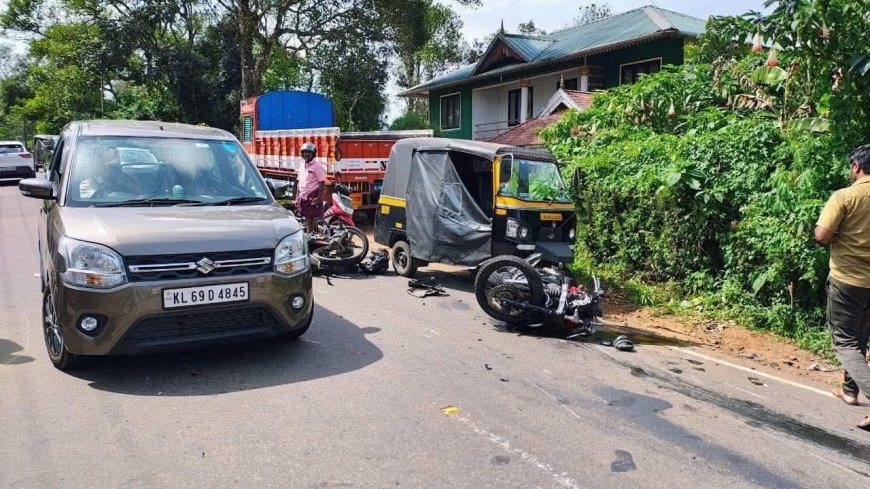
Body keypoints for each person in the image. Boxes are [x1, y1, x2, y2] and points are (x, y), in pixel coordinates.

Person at [815, 144, 870, 431]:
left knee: (845, 342)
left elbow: (822, 234)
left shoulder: (846, 196)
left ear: (857, 167)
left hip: (848, 279)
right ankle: (850, 391)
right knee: (859, 337)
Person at [295, 142, 325, 231]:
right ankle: (310, 234)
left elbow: (321, 182)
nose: (307, 154)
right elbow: (299, 182)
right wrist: (297, 196)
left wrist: (319, 197)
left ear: (313, 154)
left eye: (309, 152)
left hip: (312, 196)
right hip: (303, 196)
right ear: (302, 153)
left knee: (313, 217)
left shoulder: (317, 166)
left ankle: (312, 235)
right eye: (305, 152)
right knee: (307, 217)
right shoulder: (301, 165)